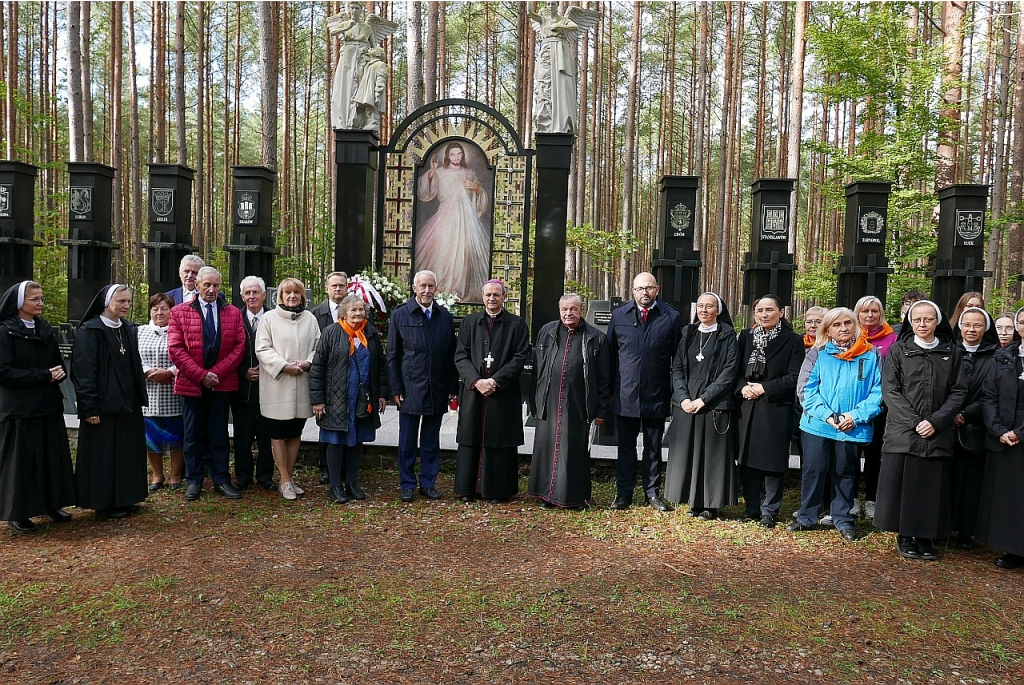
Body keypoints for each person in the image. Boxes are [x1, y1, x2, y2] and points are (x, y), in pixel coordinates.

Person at [874, 300, 967, 561]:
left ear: (937, 322)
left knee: (931, 486)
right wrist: (915, 421)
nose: (922, 324)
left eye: (928, 319)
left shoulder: (952, 352)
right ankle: (905, 535)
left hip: (937, 432)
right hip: (904, 432)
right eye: (917, 320)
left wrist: (936, 420)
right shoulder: (898, 350)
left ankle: (926, 537)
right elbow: (890, 390)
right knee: (904, 485)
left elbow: (959, 391)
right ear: (909, 322)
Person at [788, 308, 882, 542]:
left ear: (856, 325)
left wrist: (855, 416)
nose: (843, 328)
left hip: (852, 426)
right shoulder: (817, 354)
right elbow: (807, 390)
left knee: (845, 470)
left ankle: (842, 518)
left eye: (847, 323)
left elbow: (878, 392)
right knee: (814, 469)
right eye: (836, 325)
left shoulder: (871, 355)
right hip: (818, 424)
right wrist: (829, 416)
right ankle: (807, 516)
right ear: (827, 330)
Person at [0, 281, 75, 533]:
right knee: (22, 461)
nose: (41, 303)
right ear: (20, 302)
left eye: (41, 298)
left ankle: (52, 503)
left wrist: (59, 372)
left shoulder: (43, 327)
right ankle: (17, 513)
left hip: (47, 403)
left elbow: (55, 362)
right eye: (35, 299)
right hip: (20, 407)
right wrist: (43, 375)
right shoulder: (5, 330)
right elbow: (4, 371)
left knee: (50, 456)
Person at [168, 266, 246, 502]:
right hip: (192, 383)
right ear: (197, 285)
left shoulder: (232, 312)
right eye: (207, 285)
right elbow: (176, 349)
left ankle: (221, 479)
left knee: (219, 433)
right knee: (192, 435)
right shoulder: (179, 312)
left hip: (221, 384)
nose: (212, 290)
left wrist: (216, 374)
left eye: (216, 285)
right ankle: (194, 480)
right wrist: (201, 375)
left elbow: (239, 346)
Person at [606, 272, 682, 512]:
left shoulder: (671, 316)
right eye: (640, 289)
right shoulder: (619, 315)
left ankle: (652, 494)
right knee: (626, 448)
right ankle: (623, 494)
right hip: (625, 393)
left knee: (653, 448)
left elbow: (677, 359)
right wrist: (608, 390)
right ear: (633, 291)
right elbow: (610, 355)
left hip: (656, 394)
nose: (645, 293)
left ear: (657, 290)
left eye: (649, 288)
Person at [71, 284, 149, 519]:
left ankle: (126, 498)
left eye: (128, 301)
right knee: (103, 455)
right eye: (121, 302)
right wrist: (89, 407)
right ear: (106, 303)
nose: (126, 306)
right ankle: (104, 504)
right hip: (103, 405)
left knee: (126, 452)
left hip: (127, 402)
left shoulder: (126, 328)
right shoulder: (90, 331)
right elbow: (84, 372)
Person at [528, 293, 611, 510]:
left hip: (578, 404)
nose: (569, 313)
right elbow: (537, 369)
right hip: (549, 400)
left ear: (581, 311)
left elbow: (604, 379)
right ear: (559, 311)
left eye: (573, 309)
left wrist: (601, 410)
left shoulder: (595, 338)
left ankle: (574, 498)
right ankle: (547, 495)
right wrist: (534, 402)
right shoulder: (547, 332)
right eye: (565, 309)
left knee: (574, 452)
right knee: (547, 448)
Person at [453, 279, 531, 503]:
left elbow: (519, 357)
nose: (492, 299)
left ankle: (498, 490)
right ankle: (468, 489)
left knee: (500, 438)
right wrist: (477, 381)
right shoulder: (470, 322)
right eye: (488, 295)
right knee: (471, 435)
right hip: (474, 390)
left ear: (504, 297)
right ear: (482, 296)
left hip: (502, 392)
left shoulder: (517, 324)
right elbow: (460, 355)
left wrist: (495, 381)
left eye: (496, 295)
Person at [664, 292, 739, 519]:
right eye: (701, 306)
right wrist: (684, 398)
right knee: (689, 452)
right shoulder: (687, 333)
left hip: (713, 403)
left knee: (711, 455)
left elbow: (729, 373)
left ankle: (710, 505)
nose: (704, 310)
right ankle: (692, 501)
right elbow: (676, 367)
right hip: (686, 402)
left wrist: (703, 399)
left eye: (710, 306)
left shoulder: (727, 336)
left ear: (718, 310)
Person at [387, 270, 458, 502]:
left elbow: (450, 355)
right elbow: (393, 355)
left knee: (430, 440)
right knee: (407, 441)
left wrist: (451, 387)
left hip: (436, 388)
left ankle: (428, 483)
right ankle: (407, 483)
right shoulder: (400, 315)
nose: (427, 290)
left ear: (436, 289)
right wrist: (395, 389)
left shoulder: (444, 316)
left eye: (431, 286)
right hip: (409, 389)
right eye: (423, 286)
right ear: (414, 288)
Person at [310, 294, 388, 504]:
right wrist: (318, 400)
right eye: (353, 310)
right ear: (344, 313)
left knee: (357, 441)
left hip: (362, 399)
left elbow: (380, 366)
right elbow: (317, 367)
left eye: (361, 310)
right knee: (335, 442)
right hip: (336, 399)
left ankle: (352, 481)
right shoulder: (331, 333)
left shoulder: (370, 334)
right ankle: (335, 485)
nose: (358, 313)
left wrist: (381, 394)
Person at [735, 294, 804, 528]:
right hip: (747, 406)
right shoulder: (746, 337)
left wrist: (764, 388)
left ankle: (770, 510)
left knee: (772, 462)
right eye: (760, 311)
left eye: (769, 310)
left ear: (781, 313)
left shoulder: (793, 340)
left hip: (775, 407)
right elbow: (734, 370)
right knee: (747, 460)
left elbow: (795, 376)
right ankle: (751, 507)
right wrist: (743, 387)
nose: (764, 315)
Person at [255, 278, 320, 501]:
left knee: (294, 432)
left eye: (296, 293)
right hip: (277, 385)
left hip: (301, 383)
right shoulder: (269, 319)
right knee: (277, 433)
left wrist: (306, 363)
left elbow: (317, 347)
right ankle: (284, 479)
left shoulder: (310, 319)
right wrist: (284, 366)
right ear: (279, 297)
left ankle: (288, 479)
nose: (292, 297)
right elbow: (262, 349)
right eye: (287, 293)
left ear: (302, 296)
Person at [977, 306, 1024, 569]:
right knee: (1010, 497)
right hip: (1004, 434)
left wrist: (1020, 432)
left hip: (1021, 432)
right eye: (1023, 322)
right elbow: (988, 396)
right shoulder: (1004, 356)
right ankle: (1013, 549)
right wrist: (998, 430)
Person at [415, 142, 491, 300]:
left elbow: (480, 194)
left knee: (463, 254)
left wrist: (476, 189)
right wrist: (432, 171)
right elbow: (424, 189)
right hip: (445, 217)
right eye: (452, 154)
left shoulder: (469, 172)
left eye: (459, 154)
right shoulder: (440, 172)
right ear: (447, 156)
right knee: (443, 252)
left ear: (463, 155)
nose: (456, 157)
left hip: (465, 219)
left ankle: (457, 291)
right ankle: (442, 289)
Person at [949, 306, 998, 549]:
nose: (971, 329)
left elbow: (994, 393)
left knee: (972, 482)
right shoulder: (948, 350)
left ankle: (967, 532)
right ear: (959, 326)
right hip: (946, 424)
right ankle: (943, 527)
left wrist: (966, 414)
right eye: (967, 324)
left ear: (985, 328)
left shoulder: (996, 356)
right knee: (947, 478)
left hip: (977, 426)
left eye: (977, 325)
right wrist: (950, 413)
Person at [853, 295, 899, 520]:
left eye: (874, 311)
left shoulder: (893, 339)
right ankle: (850, 498)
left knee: (874, 455)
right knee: (850, 454)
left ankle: (872, 498)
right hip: (851, 407)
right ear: (857, 314)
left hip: (881, 408)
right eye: (864, 311)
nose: (869, 315)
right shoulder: (849, 336)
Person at [529, 2, 601, 134]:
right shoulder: (544, 19)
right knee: (544, 85)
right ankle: (546, 121)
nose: (550, 6)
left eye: (553, 4)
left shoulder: (564, 18)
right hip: (546, 52)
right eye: (548, 4)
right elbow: (530, 13)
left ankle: (560, 122)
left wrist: (558, 25)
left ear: (557, 5)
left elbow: (574, 26)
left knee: (560, 84)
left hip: (559, 51)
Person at [137, 293, 184, 492]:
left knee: (176, 437)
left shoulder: (179, 331)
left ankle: (175, 475)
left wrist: (170, 372)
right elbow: (133, 358)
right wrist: (148, 371)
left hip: (173, 392)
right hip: (148, 393)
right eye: (155, 309)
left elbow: (186, 356)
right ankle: (157, 475)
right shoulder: (140, 332)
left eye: (164, 308)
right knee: (151, 438)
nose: (159, 312)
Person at [327, 2, 397, 130]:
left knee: (361, 85)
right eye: (352, 8)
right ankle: (344, 119)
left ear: (361, 10)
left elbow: (374, 46)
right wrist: (347, 25)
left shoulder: (367, 27)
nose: (354, 10)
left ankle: (359, 119)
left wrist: (376, 61)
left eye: (357, 8)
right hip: (347, 56)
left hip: (362, 57)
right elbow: (332, 32)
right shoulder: (346, 23)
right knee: (345, 85)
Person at [232, 276, 273, 491]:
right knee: (242, 436)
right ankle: (243, 476)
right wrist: (243, 372)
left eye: (255, 292)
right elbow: (227, 352)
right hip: (243, 389)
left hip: (270, 389)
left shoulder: (275, 318)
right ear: (241, 296)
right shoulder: (233, 318)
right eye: (247, 293)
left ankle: (266, 476)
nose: (251, 297)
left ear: (264, 295)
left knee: (267, 435)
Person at [311, 271, 349, 484]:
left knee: (345, 422)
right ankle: (325, 467)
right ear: (326, 288)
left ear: (347, 288)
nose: (337, 289)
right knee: (325, 424)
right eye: (334, 286)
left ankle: (344, 467)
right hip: (325, 377)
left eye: (341, 286)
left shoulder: (356, 311)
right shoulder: (316, 313)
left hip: (347, 377)